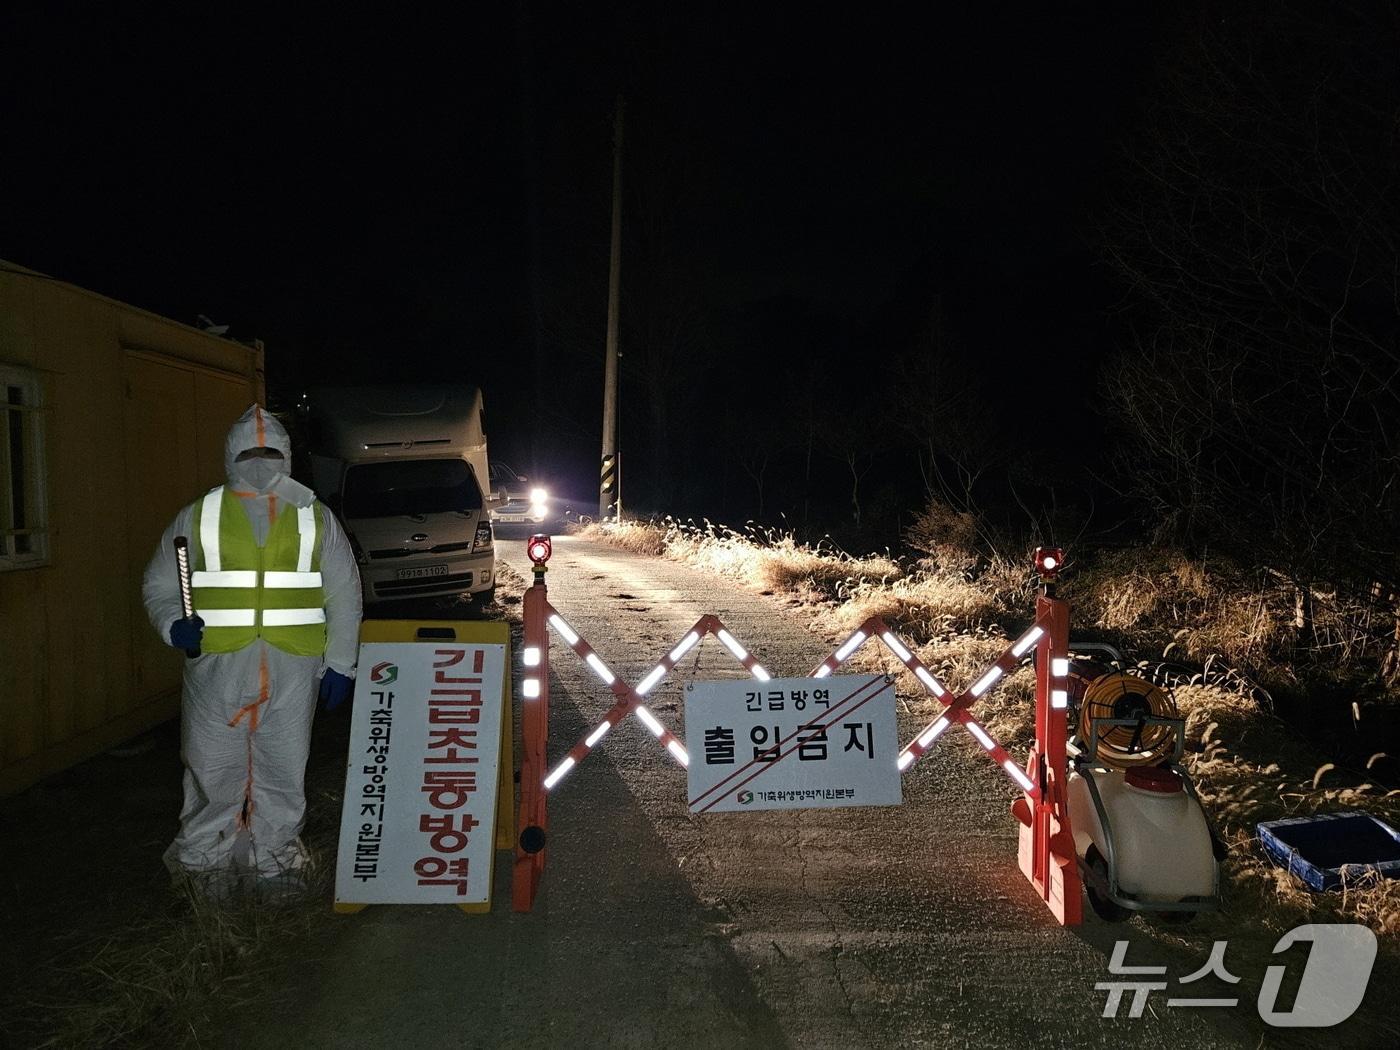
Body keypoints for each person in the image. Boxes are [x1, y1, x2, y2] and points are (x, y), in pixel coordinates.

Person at [143, 404, 362, 899]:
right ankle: (203, 868)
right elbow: (160, 581)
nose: (260, 461)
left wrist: (342, 664)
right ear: (229, 455)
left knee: (283, 768)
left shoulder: (313, 514)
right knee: (210, 766)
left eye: (270, 452)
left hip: (295, 665)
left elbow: (344, 592)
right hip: (217, 664)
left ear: (286, 454)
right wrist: (171, 624)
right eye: (250, 452)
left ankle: (276, 861)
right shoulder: (199, 513)